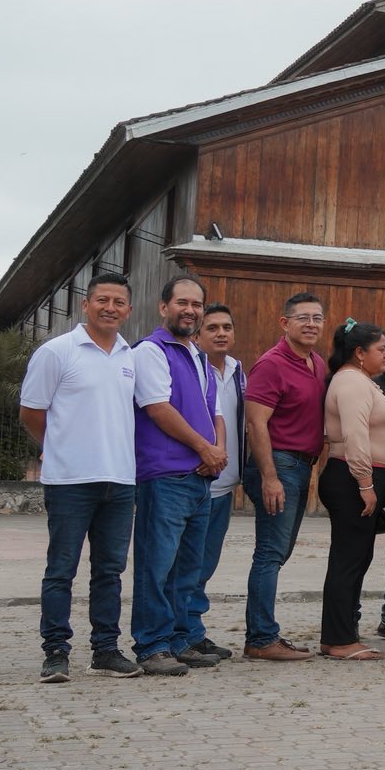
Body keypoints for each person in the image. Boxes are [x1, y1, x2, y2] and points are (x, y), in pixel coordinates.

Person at [21, 271, 141, 682]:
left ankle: (105, 650)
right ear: (85, 304)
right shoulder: (57, 352)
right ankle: (56, 652)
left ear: (128, 309)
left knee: (109, 572)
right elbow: (31, 412)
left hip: (120, 480)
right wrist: (56, 446)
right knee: (61, 570)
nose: (110, 308)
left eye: (118, 302)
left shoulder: (129, 356)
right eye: (102, 300)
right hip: (70, 482)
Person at [128, 275, 226, 677]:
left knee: (187, 567)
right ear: (163, 307)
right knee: (156, 565)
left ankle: (180, 640)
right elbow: (158, 408)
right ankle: (152, 645)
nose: (190, 310)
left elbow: (214, 412)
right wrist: (204, 448)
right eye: (182, 303)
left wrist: (216, 452)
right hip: (165, 475)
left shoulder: (199, 356)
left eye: (196, 304)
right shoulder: (151, 351)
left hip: (200, 476)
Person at [242, 291, 327, 663]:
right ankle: (261, 638)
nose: (311, 324)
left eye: (317, 318)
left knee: (278, 552)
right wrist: (269, 477)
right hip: (279, 465)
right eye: (303, 317)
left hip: (302, 465)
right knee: (270, 554)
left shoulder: (316, 363)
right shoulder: (271, 364)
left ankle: (262, 634)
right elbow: (256, 423)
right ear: (284, 323)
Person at [317, 321, 385, 661]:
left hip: (364, 477)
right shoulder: (351, 382)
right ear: (360, 353)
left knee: (357, 557)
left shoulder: (361, 381)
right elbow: (355, 435)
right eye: (382, 349)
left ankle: (343, 632)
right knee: (348, 558)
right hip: (353, 478)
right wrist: (365, 482)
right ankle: (338, 639)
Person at [181, 303, 244, 668]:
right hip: (197, 480)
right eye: (212, 327)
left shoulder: (237, 370)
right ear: (197, 334)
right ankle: (179, 634)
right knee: (186, 565)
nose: (221, 333)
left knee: (205, 565)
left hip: (226, 483)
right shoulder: (191, 368)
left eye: (227, 327)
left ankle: (193, 630)